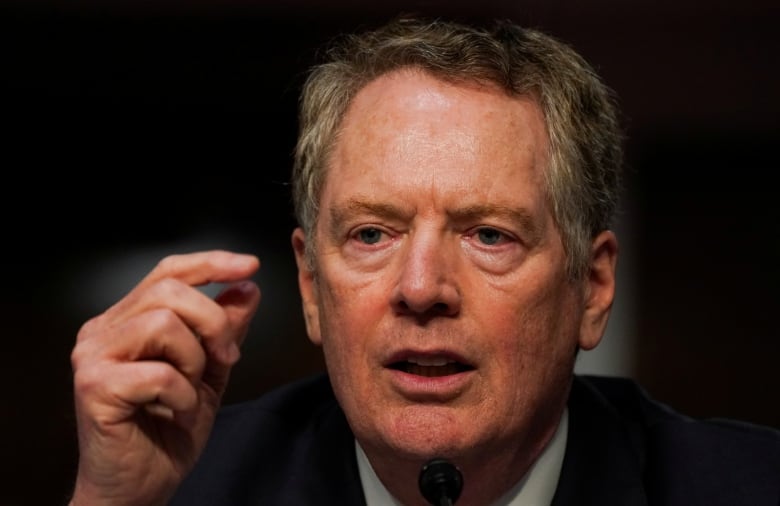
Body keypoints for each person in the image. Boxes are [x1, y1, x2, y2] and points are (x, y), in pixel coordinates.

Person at [68, 14, 779, 506]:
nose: (420, 289)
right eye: (373, 234)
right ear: (312, 287)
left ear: (592, 288)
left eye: (488, 235)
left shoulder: (748, 487)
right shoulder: (186, 487)